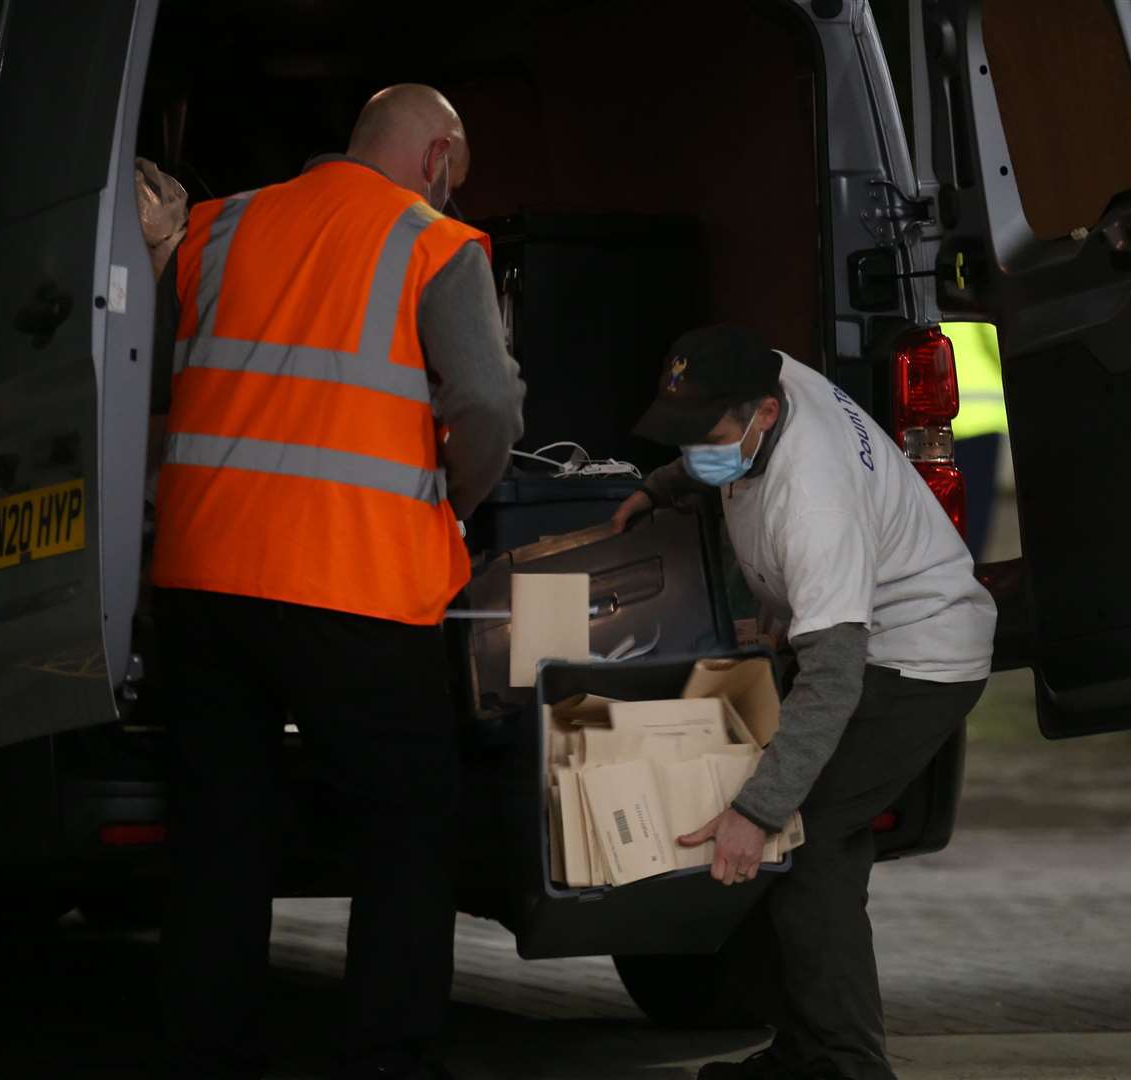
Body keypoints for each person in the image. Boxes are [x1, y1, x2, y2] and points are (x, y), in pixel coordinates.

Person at [150, 84, 524, 1080]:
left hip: (203, 579)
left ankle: (206, 1044)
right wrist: (455, 499)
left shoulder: (215, 225)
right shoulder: (437, 244)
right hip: (352, 583)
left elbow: (159, 378)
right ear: (438, 156)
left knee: (219, 822)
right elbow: (486, 400)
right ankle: (388, 1052)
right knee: (406, 820)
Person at [612, 325, 997, 1080]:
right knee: (813, 848)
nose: (698, 449)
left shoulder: (812, 499)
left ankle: (847, 1067)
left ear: (761, 413)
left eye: (708, 437)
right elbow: (711, 446)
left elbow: (833, 680)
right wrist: (666, 484)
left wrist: (757, 814)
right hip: (870, 649)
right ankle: (808, 1053)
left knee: (804, 843)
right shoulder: (770, 380)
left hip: (914, 662)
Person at [942, 321, 1007, 562]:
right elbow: (998, 341)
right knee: (972, 524)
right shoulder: (973, 295)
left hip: (941, 420)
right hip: (981, 420)